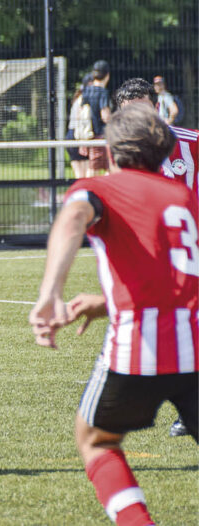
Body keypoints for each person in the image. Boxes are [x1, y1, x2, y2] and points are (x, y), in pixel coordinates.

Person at [29, 103, 198, 526]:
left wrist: (51, 293)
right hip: (195, 346)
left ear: (112, 149)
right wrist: (105, 303)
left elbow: (72, 218)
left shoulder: (102, 189)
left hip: (137, 351)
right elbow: (176, 275)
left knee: (96, 440)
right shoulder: (185, 198)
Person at [67, 76, 199, 437]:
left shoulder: (190, 142)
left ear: (157, 109)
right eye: (132, 114)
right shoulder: (123, 156)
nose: (142, 121)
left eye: (147, 111)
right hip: (153, 255)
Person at [80, 60, 112, 177]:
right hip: (101, 135)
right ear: (107, 75)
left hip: (88, 134)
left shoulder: (87, 90)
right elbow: (105, 115)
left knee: (94, 165)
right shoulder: (103, 92)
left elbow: (82, 110)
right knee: (106, 166)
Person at [66, 73, 92, 178]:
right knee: (85, 176)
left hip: (71, 135)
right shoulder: (85, 99)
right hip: (79, 135)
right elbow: (82, 121)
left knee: (79, 176)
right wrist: (83, 142)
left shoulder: (77, 98)